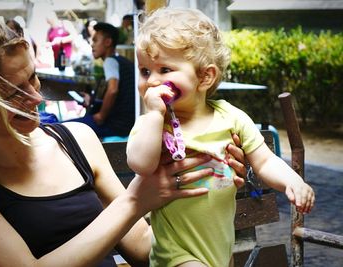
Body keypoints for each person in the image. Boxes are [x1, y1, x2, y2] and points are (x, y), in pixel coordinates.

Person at [0, 14, 248, 267]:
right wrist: (134, 200)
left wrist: (209, 191)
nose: (36, 96)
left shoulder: (76, 140)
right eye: (14, 94)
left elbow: (142, 246)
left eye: (33, 78)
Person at [127, 7, 316, 267]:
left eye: (165, 69)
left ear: (205, 76)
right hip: (176, 255)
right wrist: (155, 116)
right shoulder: (154, 125)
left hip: (220, 250)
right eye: (145, 71)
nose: (152, 81)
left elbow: (264, 161)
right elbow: (140, 163)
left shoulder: (231, 117)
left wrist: (292, 181)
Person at [67, 22, 135, 138]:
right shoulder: (122, 61)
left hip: (116, 126)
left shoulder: (110, 61)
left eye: (95, 40)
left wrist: (101, 116)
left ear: (108, 42)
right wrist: (92, 100)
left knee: (64, 127)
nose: (92, 45)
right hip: (127, 123)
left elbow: (113, 90)